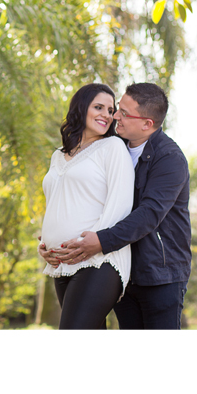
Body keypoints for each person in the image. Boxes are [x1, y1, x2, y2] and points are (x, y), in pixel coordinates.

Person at [46, 82, 191, 329]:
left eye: (123, 112)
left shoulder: (169, 158)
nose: (114, 116)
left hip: (159, 274)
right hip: (126, 268)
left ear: (147, 124)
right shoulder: (113, 146)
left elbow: (149, 214)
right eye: (117, 109)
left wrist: (101, 241)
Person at [37, 83, 135, 329]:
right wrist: (45, 242)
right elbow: (57, 203)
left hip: (99, 260)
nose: (107, 114)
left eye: (110, 110)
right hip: (61, 262)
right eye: (98, 107)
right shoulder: (58, 155)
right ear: (81, 108)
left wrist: (92, 243)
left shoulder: (113, 147)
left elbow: (120, 204)